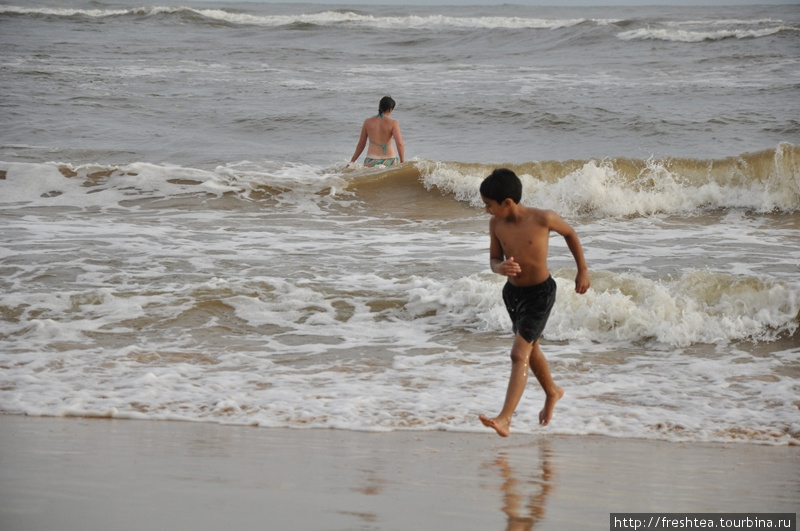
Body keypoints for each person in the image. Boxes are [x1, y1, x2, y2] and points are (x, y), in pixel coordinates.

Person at [478, 168, 590, 437]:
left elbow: (570, 234)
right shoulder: (496, 225)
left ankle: (505, 418)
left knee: (519, 353)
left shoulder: (543, 218)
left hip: (540, 294)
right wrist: (500, 268)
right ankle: (552, 391)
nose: (487, 211)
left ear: (507, 203)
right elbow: (493, 259)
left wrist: (582, 270)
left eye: (489, 206)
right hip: (513, 295)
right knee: (531, 349)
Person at [349, 96, 405, 167]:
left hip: (371, 159)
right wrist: (402, 162)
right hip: (389, 160)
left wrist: (351, 162)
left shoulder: (367, 122)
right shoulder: (393, 123)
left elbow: (361, 145)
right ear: (390, 110)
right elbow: (399, 143)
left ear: (379, 106)